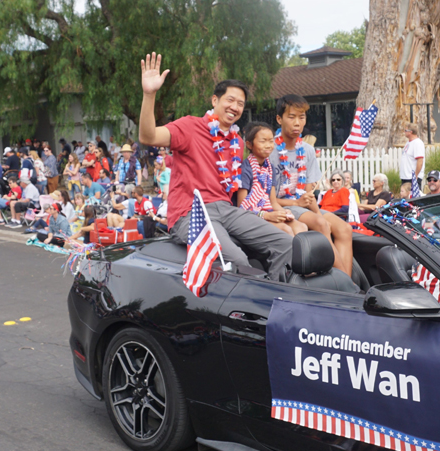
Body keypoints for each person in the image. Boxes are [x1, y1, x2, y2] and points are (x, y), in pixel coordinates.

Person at [138, 52, 292, 281]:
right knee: (237, 261)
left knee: (287, 243)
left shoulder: (237, 143)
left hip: (226, 210)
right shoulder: (189, 126)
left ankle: (278, 297)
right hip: (191, 212)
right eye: (230, 100)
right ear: (214, 101)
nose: (235, 107)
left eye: (240, 104)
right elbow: (148, 136)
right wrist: (149, 94)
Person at [269, 93, 352, 276]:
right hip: (281, 206)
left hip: (302, 205)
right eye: (291, 117)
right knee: (321, 224)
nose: (297, 123)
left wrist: (313, 208)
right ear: (279, 119)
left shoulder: (307, 150)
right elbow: (268, 199)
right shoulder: (270, 151)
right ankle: (349, 285)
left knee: (345, 228)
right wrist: (301, 207)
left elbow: (308, 193)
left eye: (302, 117)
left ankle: (346, 279)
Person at [237, 122, 307, 237]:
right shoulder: (245, 169)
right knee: (286, 230)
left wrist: (283, 213)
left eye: (270, 141)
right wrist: (267, 216)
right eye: (263, 141)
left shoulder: (270, 168)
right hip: (251, 217)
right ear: (249, 145)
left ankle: (301, 255)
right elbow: (242, 206)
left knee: (301, 227)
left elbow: (273, 202)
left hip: (267, 212)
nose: (268, 145)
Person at [400, 123, 425, 187]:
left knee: (413, 196)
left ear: (410, 132)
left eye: (405, 130)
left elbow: (420, 161)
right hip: (405, 176)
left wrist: (416, 176)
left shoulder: (417, 143)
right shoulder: (408, 143)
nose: (404, 132)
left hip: (412, 177)